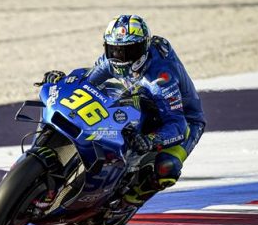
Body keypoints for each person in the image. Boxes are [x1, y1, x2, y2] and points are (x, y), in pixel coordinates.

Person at [40, 14, 206, 207]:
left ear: (144, 48)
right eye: (115, 50)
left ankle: (127, 202)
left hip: (182, 119)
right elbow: (86, 82)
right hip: (138, 100)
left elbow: (178, 125)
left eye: (130, 51)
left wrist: (152, 140)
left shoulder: (161, 80)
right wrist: (62, 82)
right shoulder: (110, 61)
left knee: (167, 168)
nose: (121, 57)